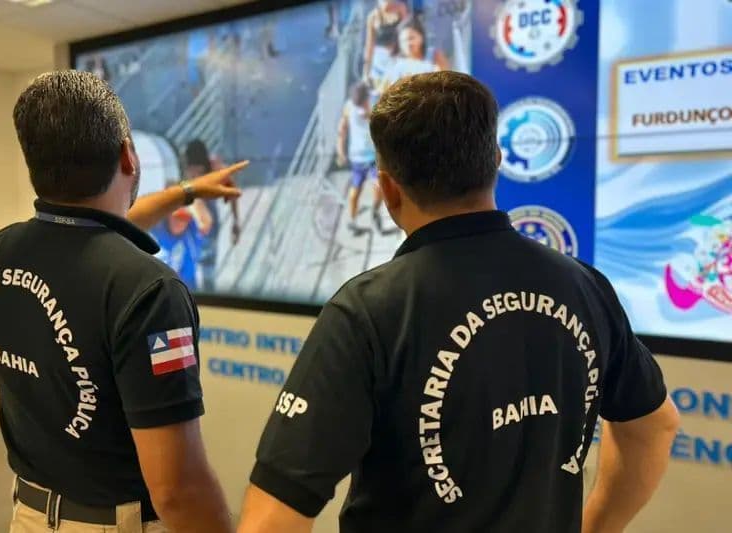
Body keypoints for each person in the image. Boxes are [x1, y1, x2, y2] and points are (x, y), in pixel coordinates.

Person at [237, 72, 679, 533]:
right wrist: (597, 525)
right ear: (497, 162)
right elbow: (654, 428)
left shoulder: (368, 312)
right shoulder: (585, 286)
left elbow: (272, 519)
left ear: (387, 189)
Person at [0, 71, 241, 533]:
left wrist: (187, 191)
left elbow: (96, 236)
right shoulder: (150, 291)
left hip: (29, 515)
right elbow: (178, 490)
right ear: (128, 156)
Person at [182, 139, 241, 292]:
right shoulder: (184, 168)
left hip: (209, 221)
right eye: (192, 169)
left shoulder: (215, 167)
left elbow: (232, 192)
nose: (195, 173)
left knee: (208, 270)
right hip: (190, 219)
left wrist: (235, 222)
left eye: (199, 170)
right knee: (189, 269)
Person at [336, 81, 383, 232]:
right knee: (355, 190)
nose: (360, 108)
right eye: (358, 105)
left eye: (362, 104)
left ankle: (375, 212)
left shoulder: (375, 99)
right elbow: (342, 130)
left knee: (379, 187)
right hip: (357, 157)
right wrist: (341, 152)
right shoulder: (349, 107)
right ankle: (353, 219)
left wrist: (370, 113)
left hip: (374, 156)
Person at [380, 16, 450, 90]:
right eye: (403, 40)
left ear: (421, 37)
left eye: (411, 38)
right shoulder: (396, 65)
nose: (408, 44)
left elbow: (445, 83)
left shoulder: (435, 55)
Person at [362, 0, 409, 87]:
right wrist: (366, 72)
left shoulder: (400, 8)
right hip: (380, 60)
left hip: (397, 56)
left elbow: (407, 32)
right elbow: (369, 46)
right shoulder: (372, 17)